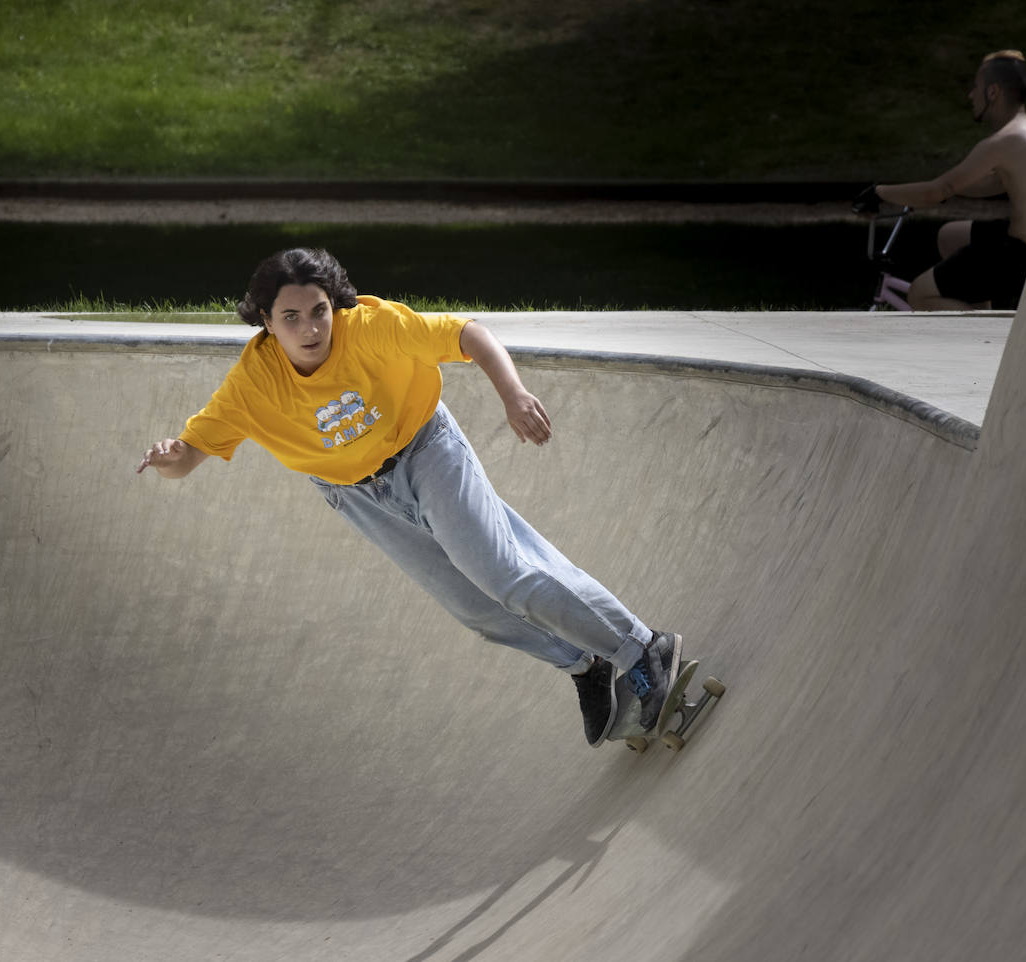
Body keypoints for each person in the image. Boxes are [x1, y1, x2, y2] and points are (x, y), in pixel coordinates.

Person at [136, 247, 682, 746]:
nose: (310, 329)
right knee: (472, 607)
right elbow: (187, 457)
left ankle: (641, 649)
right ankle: (585, 663)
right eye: (291, 318)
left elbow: (468, 334)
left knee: (502, 572)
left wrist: (512, 393)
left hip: (426, 451)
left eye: (320, 311)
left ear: (334, 305)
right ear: (265, 321)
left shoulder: (370, 326)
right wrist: (169, 458)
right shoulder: (253, 384)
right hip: (357, 497)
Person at [852, 50, 1026, 310]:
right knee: (949, 236)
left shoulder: (1003, 141)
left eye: (976, 87)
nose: (970, 95)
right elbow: (989, 184)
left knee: (920, 295)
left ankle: (985, 337)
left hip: (1024, 256)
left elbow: (936, 192)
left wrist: (879, 192)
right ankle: (976, 304)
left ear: (993, 92)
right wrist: (935, 188)